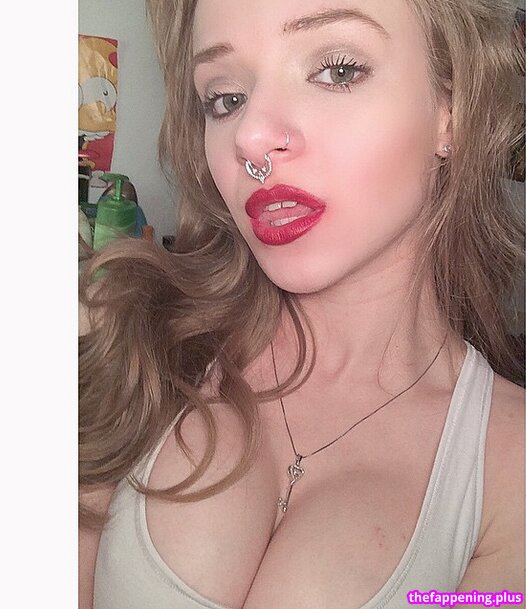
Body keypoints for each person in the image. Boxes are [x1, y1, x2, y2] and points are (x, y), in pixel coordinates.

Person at [79, 0, 526, 607]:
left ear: (452, 110)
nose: (250, 137)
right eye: (225, 99)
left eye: (338, 70)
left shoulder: (508, 472)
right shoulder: (127, 332)